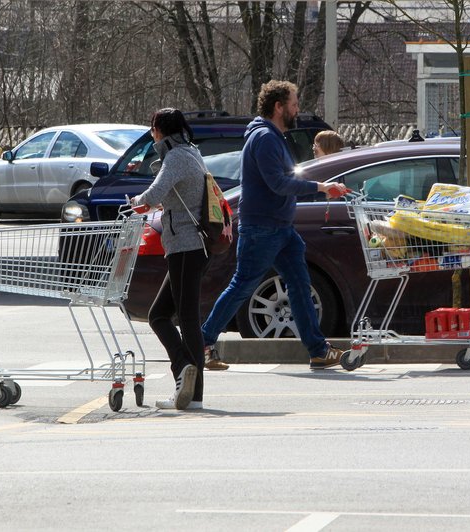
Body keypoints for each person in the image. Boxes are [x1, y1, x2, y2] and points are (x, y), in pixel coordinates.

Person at [201, 80, 348, 370]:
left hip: (280, 228)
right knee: (243, 285)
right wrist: (321, 187)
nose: (297, 109)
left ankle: (318, 350)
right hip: (262, 228)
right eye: (293, 104)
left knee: (299, 284)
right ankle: (203, 342)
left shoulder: (273, 137)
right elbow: (279, 183)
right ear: (278, 107)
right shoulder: (265, 139)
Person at [131, 108, 208, 410]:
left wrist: (136, 202)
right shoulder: (191, 151)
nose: (152, 135)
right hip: (191, 246)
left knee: (186, 319)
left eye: (152, 130)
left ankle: (190, 386)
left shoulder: (175, 156)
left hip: (186, 246)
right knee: (160, 315)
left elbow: (154, 193)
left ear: (159, 130)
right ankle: (187, 380)